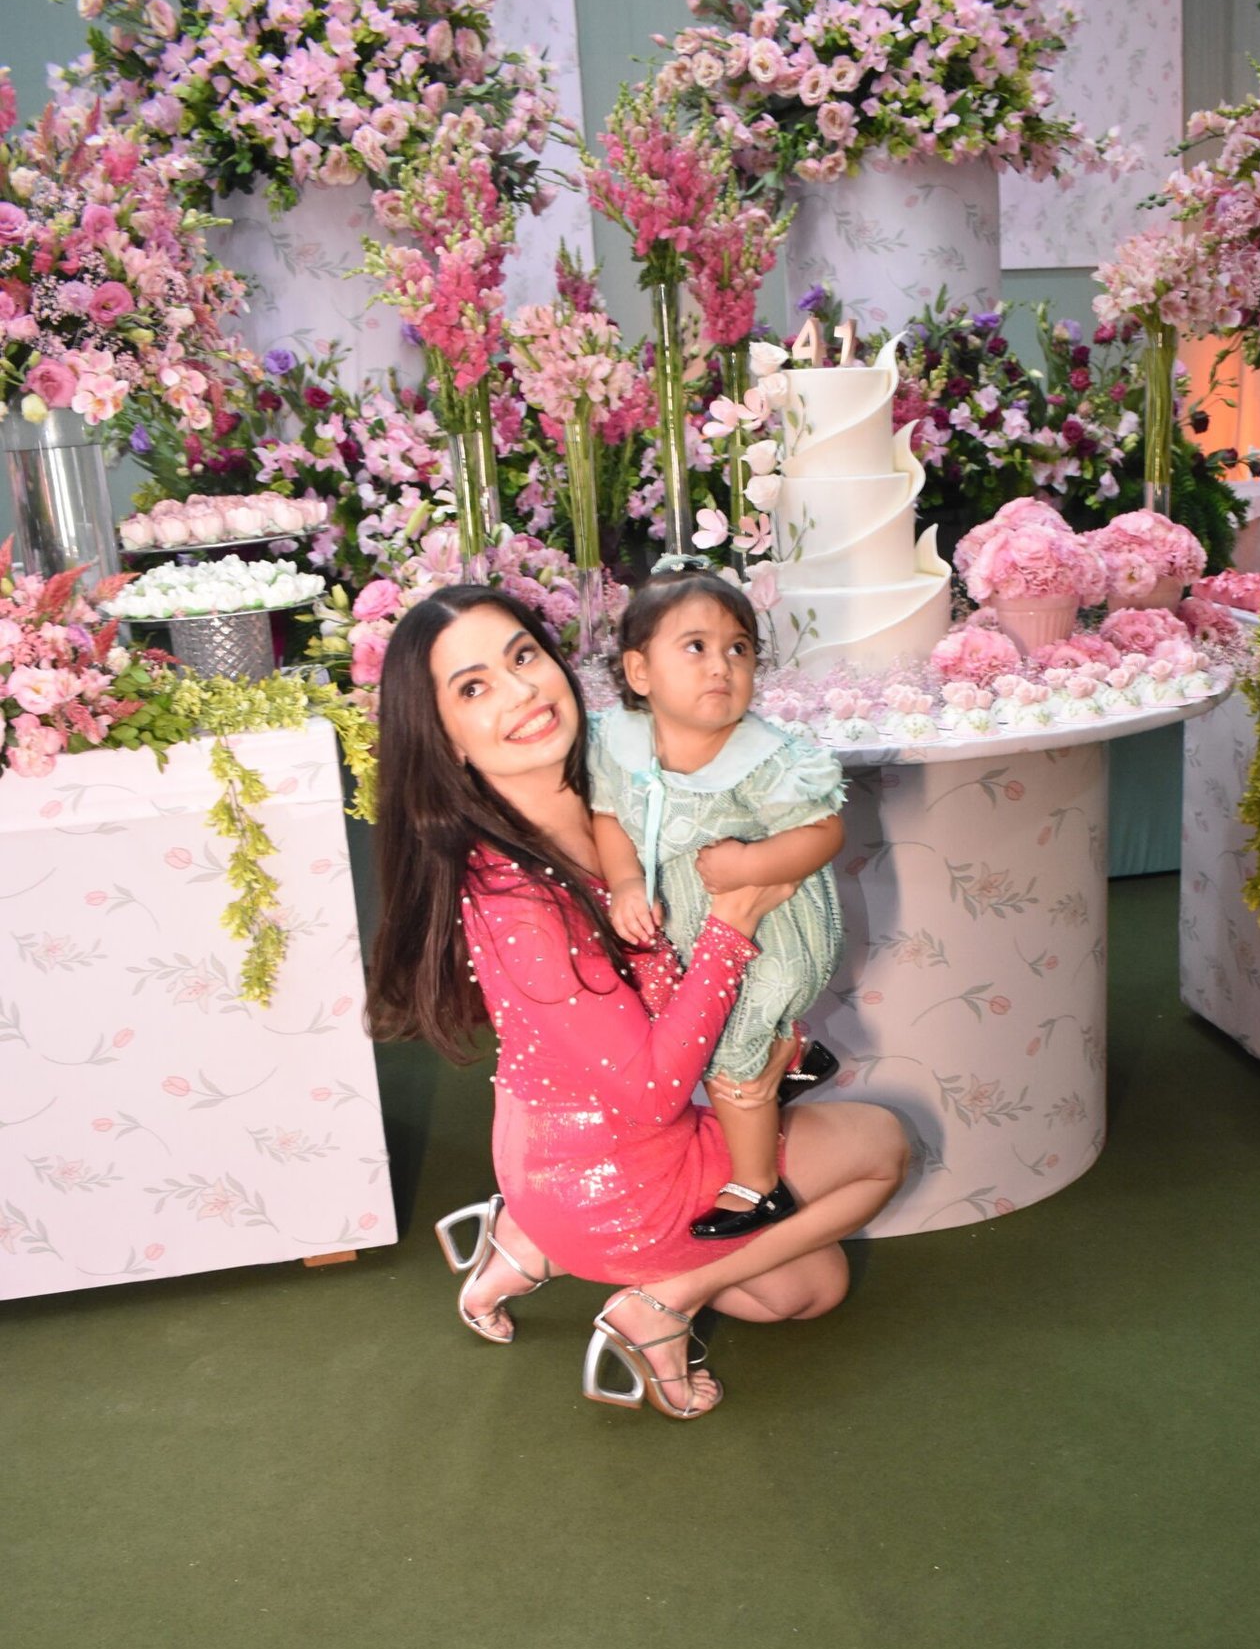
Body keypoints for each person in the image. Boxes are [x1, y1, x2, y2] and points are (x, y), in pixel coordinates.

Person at [365, 584, 908, 1421]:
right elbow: (653, 1089)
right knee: (881, 1148)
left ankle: (531, 1244)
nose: (522, 691)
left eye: (523, 657)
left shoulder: (616, 778)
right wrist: (732, 922)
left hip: (582, 1148)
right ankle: (658, 1299)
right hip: (611, 1176)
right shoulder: (511, 896)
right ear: (443, 740)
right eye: (474, 688)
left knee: (805, 1286)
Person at [590, 560, 845, 1241]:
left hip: (774, 931)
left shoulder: (764, 758)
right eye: (696, 647)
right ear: (640, 672)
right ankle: (794, 1055)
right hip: (696, 930)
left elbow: (824, 831)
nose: (721, 666)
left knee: (731, 1049)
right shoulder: (618, 741)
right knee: (693, 1035)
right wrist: (626, 881)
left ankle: (758, 1186)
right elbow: (608, 815)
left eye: (739, 649)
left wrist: (750, 862)